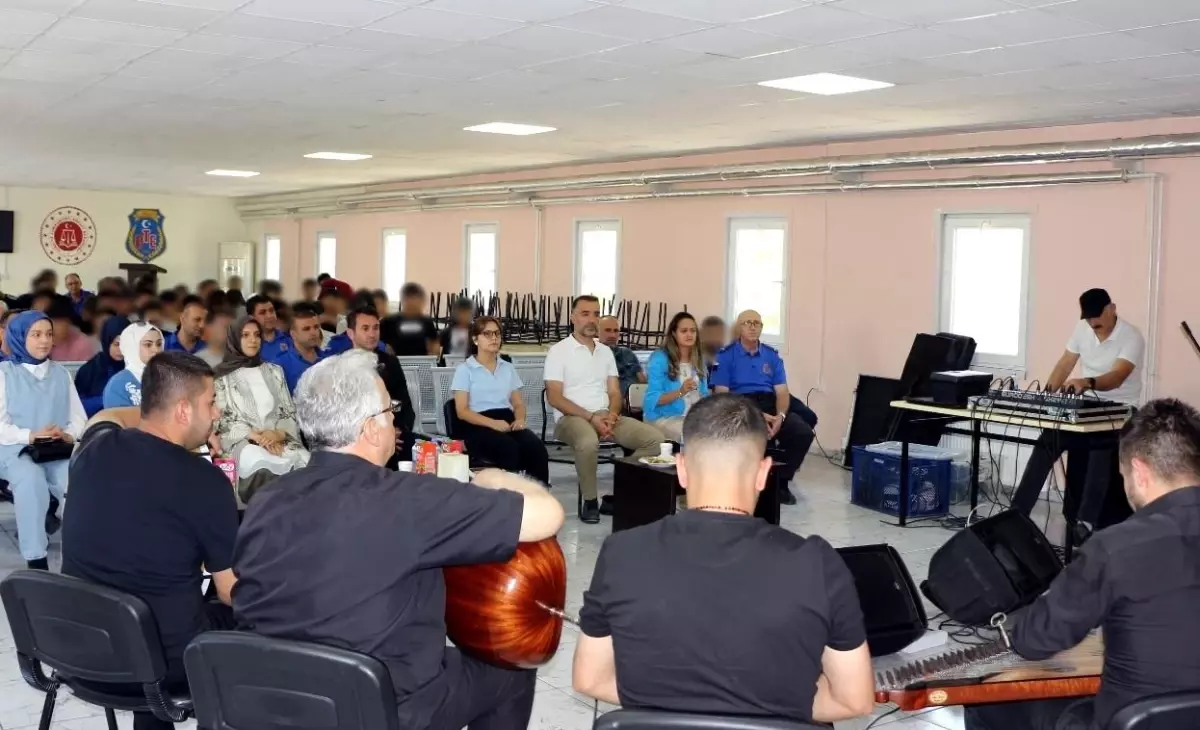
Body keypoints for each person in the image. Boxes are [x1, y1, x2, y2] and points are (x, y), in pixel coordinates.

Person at [232, 350, 565, 730]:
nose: (394, 419)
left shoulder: (266, 499)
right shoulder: (408, 499)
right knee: (511, 669)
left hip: (270, 697)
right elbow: (548, 514)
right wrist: (490, 478)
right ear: (371, 428)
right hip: (379, 708)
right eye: (390, 410)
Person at [573, 394, 874, 723]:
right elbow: (853, 700)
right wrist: (770, 707)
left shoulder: (622, 553)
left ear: (682, 469)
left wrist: (670, 703)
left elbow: (590, 678)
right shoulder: (817, 563)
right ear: (764, 473)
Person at [965, 398, 1200, 730]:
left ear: (1139, 471)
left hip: (1129, 722)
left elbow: (1035, 640)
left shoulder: (1115, 547)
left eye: (1123, 477)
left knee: (989, 701)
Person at [62, 352, 238, 730]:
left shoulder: (93, 449)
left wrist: (152, 415)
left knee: (147, 601)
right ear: (182, 410)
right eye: (210, 403)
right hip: (164, 668)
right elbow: (231, 592)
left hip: (80, 650)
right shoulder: (205, 482)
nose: (217, 414)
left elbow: (103, 418)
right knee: (256, 618)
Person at [1010, 288, 1146, 538]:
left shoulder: (1131, 336)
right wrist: (1047, 395)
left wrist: (1088, 382)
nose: (1094, 324)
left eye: (1098, 318)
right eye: (1089, 319)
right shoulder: (1082, 329)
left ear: (1111, 309)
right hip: (1084, 405)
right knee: (1047, 442)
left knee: (1100, 449)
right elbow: (1065, 363)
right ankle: (1016, 513)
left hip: (1118, 408)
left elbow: (1117, 376)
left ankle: (1085, 522)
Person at [546, 295, 663, 523]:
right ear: (573, 318)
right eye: (585, 314)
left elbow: (614, 393)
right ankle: (590, 501)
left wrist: (611, 415)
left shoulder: (605, 352)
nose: (592, 319)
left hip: (605, 416)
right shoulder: (558, 351)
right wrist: (591, 417)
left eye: (596, 314)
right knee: (588, 441)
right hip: (570, 418)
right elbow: (554, 397)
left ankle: (619, 495)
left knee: (656, 442)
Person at [0, 311, 86, 569]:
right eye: (35, 334)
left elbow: (79, 418)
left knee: (77, 482)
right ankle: (36, 558)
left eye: (48, 334)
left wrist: (67, 434)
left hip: (55, 450)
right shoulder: (5, 374)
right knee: (31, 482)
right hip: (14, 448)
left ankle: (80, 553)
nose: (44, 341)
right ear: (19, 337)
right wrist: (30, 435)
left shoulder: (61, 374)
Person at [710, 310, 813, 506]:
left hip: (770, 402)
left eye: (757, 323)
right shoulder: (725, 356)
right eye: (747, 323)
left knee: (802, 432)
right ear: (739, 328)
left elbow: (782, 392)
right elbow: (722, 395)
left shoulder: (771, 356)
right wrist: (756, 414)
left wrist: (780, 416)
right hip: (740, 404)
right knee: (753, 434)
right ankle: (753, 484)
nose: (752, 326)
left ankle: (781, 482)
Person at [214, 317, 309, 502]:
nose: (253, 340)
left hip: (280, 440)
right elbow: (223, 420)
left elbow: (288, 410)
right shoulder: (220, 377)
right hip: (245, 442)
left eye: (257, 335)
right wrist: (257, 437)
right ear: (234, 339)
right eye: (245, 335)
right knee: (259, 463)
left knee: (304, 463)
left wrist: (277, 434)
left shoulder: (275, 371)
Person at [452, 317, 550, 485]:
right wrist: (492, 423)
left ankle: (539, 494)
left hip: (506, 419)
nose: (494, 338)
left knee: (536, 447)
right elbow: (462, 411)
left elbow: (518, 404)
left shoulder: (507, 368)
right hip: (477, 423)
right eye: (487, 334)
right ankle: (508, 496)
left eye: (497, 334)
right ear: (475, 339)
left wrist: (519, 419)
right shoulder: (465, 370)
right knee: (508, 448)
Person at [344, 305, 417, 466]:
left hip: (394, 434)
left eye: (375, 328)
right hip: (358, 438)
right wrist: (375, 436)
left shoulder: (390, 362)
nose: (372, 334)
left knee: (431, 450)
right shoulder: (342, 366)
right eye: (365, 328)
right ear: (351, 333)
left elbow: (404, 405)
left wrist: (394, 432)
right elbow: (343, 413)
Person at [643, 312, 710, 442]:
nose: (689, 335)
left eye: (693, 331)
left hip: (694, 417)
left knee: (722, 431)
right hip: (663, 417)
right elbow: (653, 400)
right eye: (684, 331)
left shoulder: (699, 360)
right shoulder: (659, 359)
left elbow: (705, 394)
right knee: (696, 435)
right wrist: (681, 391)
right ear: (674, 334)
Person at [74, 317, 127, 416]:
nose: (121, 349)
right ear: (107, 342)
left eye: (125, 344)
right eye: (116, 344)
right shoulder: (90, 370)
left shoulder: (138, 369)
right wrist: (106, 400)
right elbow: (77, 406)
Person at [103, 322, 164, 408]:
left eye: (159, 344)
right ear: (132, 347)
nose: (156, 350)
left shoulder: (169, 376)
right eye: (148, 345)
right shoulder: (118, 385)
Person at [276, 302, 324, 393]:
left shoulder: (329, 359)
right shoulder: (279, 366)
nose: (313, 332)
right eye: (306, 329)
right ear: (293, 334)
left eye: (316, 327)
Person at [381, 282, 438, 356]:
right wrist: (384, 347)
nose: (413, 304)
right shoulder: (389, 321)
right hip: (395, 363)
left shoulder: (426, 322)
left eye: (416, 299)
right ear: (404, 300)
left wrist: (433, 354)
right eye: (409, 299)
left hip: (420, 364)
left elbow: (434, 343)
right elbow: (376, 342)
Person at [598, 314, 645, 399]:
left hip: (637, 403)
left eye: (616, 331)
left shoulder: (627, 353)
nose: (613, 335)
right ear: (597, 332)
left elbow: (642, 380)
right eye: (608, 330)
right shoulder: (593, 355)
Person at [47, 295, 98, 362]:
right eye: (56, 322)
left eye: (64, 322)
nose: (61, 327)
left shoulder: (81, 343)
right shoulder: (37, 341)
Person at [245, 294, 292, 361]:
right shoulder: (245, 345)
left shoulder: (289, 339)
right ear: (251, 318)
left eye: (271, 310)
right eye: (262, 312)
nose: (269, 316)